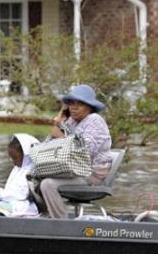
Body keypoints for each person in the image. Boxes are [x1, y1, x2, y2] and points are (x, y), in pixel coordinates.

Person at [39, 84, 112, 218]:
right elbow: (47, 149)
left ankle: (60, 224)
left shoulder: (95, 121)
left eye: (80, 104)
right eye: (71, 103)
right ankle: (41, 216)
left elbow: (83, 151)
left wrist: (60, 136)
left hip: (90, 175)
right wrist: (59, 121)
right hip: (72, 170)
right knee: (36, 174)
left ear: (90, 107)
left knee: (47, 184)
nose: (74, 107)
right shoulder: (71, 122)